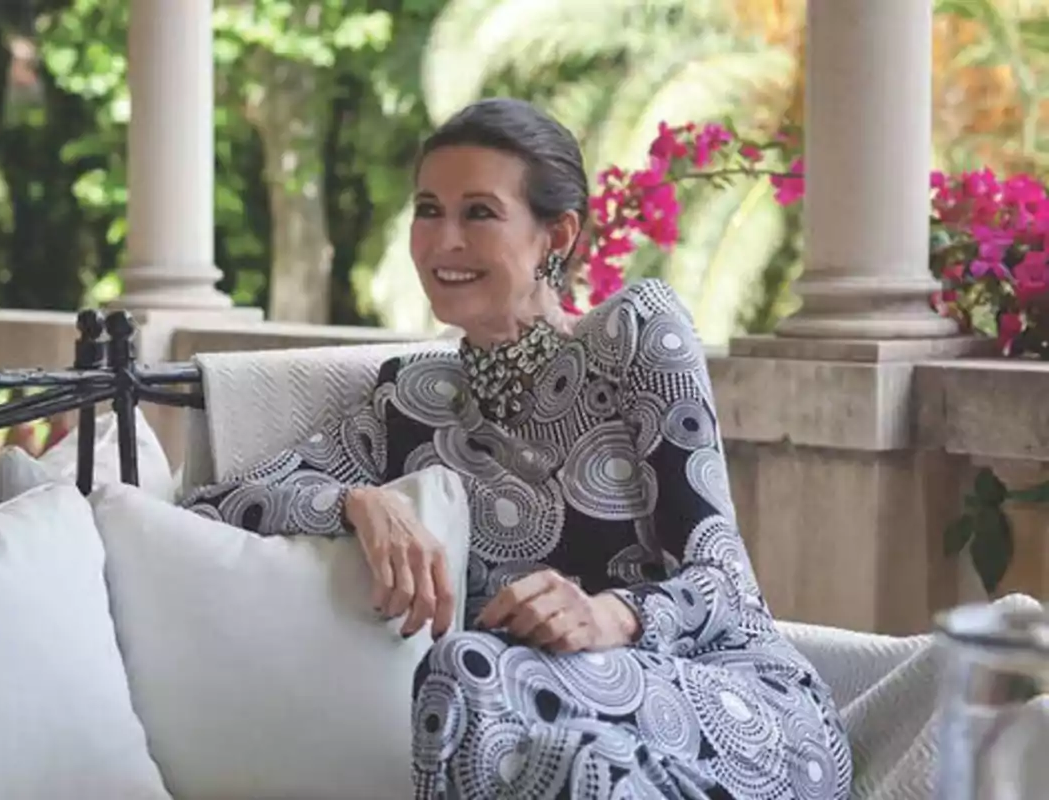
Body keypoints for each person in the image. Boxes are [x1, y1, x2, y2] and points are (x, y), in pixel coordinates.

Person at [180, 97, 851, 800]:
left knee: (470, 671)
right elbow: (212, 504)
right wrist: (358, 502)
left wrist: (607, 616)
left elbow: (725, 581)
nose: (443, 241)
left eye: (479, 213)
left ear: (555, 236)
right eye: (428, 209)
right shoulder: (411, 402)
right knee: (527, 728)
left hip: (735, 711)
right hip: (542, 736)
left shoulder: (636, 334)